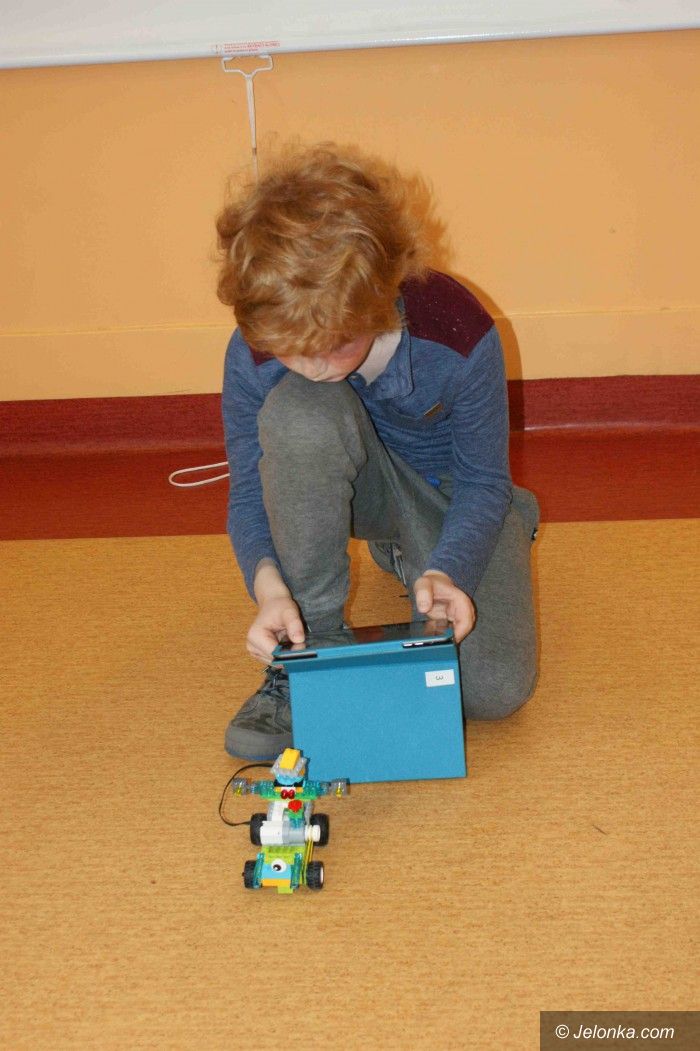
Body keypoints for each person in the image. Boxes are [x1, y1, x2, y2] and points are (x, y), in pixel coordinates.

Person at [216, 143, 540, 761]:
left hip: (448, 496)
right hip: (355, 485)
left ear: (381, 299)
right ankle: (309, 649)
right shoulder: (259, 344)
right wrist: (268, 586)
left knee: (494, 689)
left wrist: (450, 569)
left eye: (334, 345)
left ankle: (441, 548)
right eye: (290, 347)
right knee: (300, 411)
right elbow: (250, 486)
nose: (311, 365)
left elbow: (481, 481)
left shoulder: (459, 333)